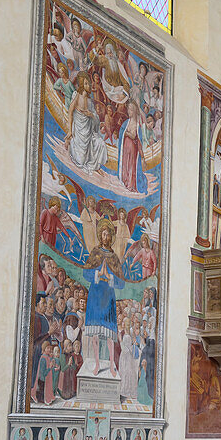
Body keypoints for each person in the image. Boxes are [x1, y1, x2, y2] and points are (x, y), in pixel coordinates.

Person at [83, 221, 122, 376]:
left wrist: (109, 276)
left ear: (111, 237)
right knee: (95, 334)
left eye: (108, 234)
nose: (106, 237)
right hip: (95, 295)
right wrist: (98, 274)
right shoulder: (95, 252)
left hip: (107, 296)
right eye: (103, 234)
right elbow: (85, 273)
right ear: (100, 235)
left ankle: (112, 364)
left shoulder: (114, 257)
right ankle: (98, 364)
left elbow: (121, 283)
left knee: (109, 335)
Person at [67, 73, 108, 173]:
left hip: (89, 134)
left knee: (101, 144)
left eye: (88, 84)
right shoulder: (76, 96)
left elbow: (96, 119)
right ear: (81, 85)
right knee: (80, 161)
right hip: (79, 134)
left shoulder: (90, 102)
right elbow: (70, 111)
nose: (88, 86)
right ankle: (71, 145)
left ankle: (96, 166)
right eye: (85, 84)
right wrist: (69, 131)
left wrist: (91, 115)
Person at [118, 102, 144, 192]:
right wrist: (127, 133)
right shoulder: (126, 123)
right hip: (125, 146)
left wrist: (127, 133)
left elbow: (134, 136)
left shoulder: (137, 124)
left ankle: (130, 184)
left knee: (131, 165)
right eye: (128, 109)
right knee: (125, 163)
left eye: (131, 109)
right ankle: (124, 181)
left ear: (135, 110)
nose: (129, 111)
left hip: (133, 148)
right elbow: (122, 133)